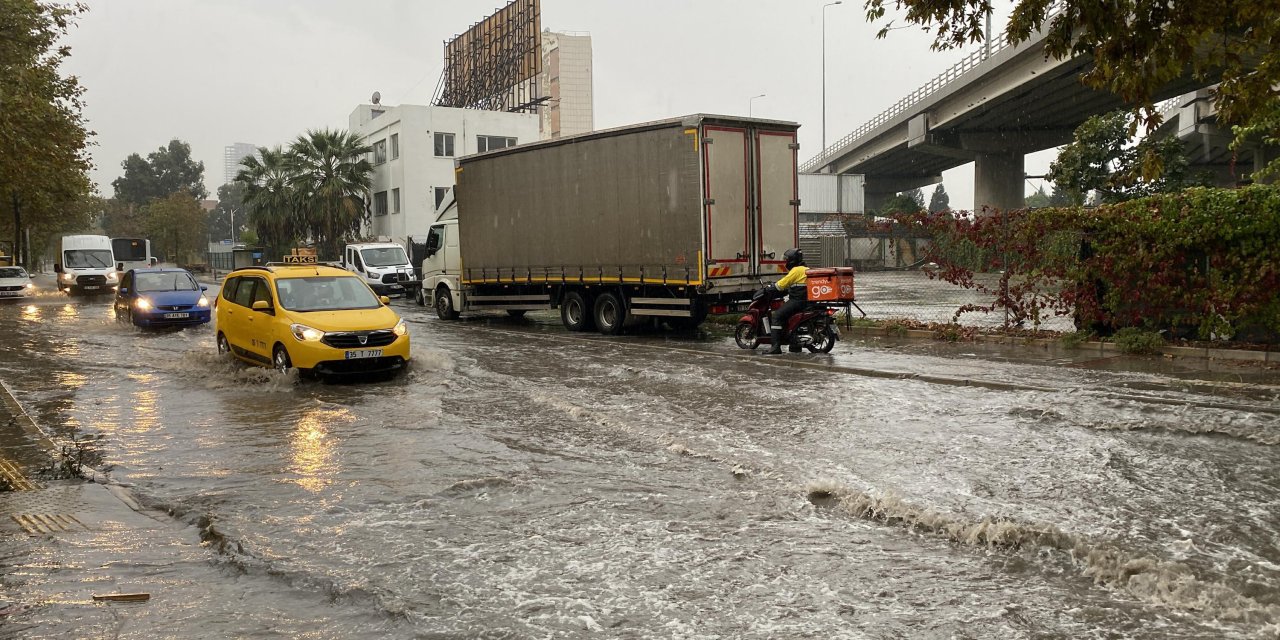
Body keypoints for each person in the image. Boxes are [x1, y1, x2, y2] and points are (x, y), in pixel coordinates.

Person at [766, 248, 808, 354]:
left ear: (792, 260)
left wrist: (771, 287)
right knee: (790, 319)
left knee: (777, 316)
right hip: (806, 301)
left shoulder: (796, 270)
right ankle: (794, 346)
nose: (786, 262)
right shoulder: (805, 269)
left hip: (797, 301)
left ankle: (775, 347)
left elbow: (782, 284)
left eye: (787, 259)